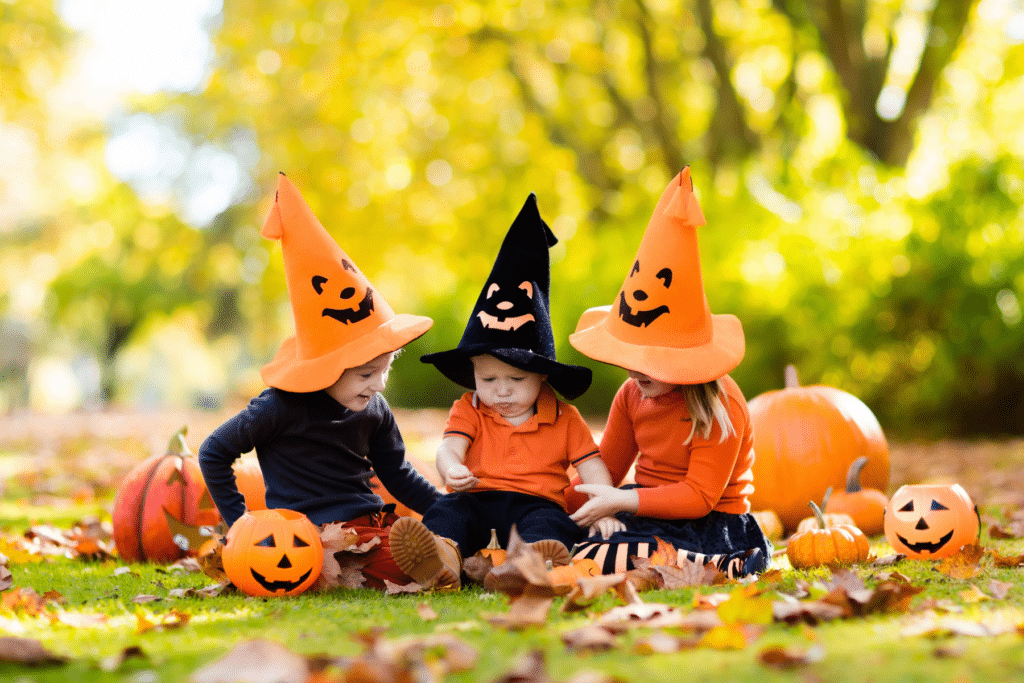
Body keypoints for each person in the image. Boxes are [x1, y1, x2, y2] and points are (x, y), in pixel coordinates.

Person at [198, 173, 441, 590]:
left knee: (435, 539)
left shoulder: (374, 410)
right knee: (400, 561)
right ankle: (436, 564)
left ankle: (449, 555)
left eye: (386, 369)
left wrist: (450, 509)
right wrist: (241, 526)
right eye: (367, 374)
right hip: (305, 537)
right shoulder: (278, 407)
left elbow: (398, 475)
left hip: (369, 524)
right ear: (326, 368)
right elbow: (214, 452)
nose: (379, 385)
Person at [388, 194, 624, 589]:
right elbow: (449, 447)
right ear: (473, 376)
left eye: (516, 381)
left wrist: (605, 506)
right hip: (477, 497)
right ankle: (441, 557)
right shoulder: (470, 407)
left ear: (541, 377)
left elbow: (591, 466)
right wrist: (452, 469)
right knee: (449, 512)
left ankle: (527, 564)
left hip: (536, 503)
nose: (501, 391)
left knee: (552, 523)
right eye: (488, 380)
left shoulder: (565, 418)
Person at [565, 167, 771, 578]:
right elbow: (605, 470)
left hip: (710, 524)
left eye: (653, 359)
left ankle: (715, 564)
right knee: (564, 535)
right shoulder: (630, 395)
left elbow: (698, 498)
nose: (637, 371)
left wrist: (620, 502)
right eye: (631, 355)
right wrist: (553, 497)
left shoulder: (720, 403)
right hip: (643, 507)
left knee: (616, 555)